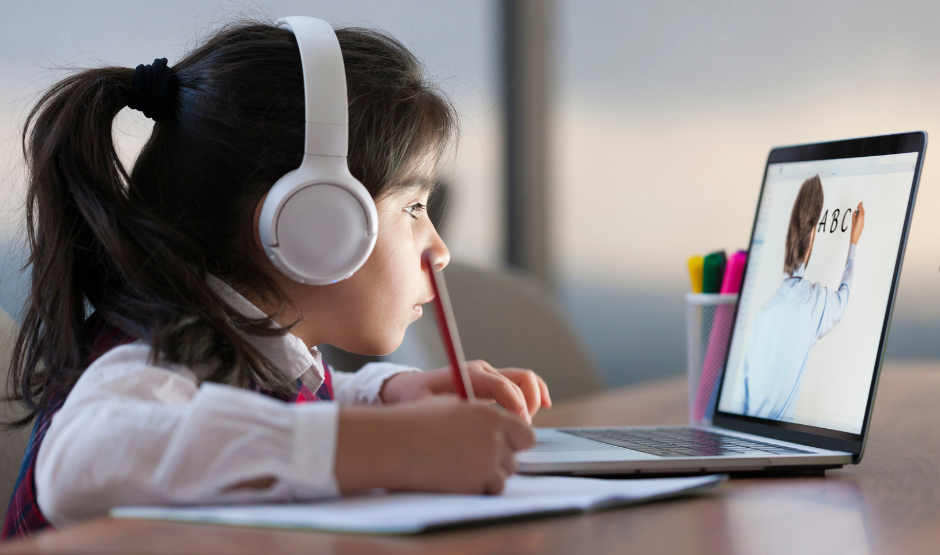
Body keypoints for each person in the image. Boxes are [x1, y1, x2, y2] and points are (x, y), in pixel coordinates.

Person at [2, 20, 550, 538]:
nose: (440, 248)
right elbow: (82, 458)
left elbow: (264, 407)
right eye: (413, 207)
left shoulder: (238, 345)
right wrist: (391, 445)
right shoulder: (162, 351)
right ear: (314, 223)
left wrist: (387, 397)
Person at [740, 175, 864, 420]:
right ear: (812, 236)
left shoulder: (763, 313)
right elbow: (842, 300)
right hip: (780, 444)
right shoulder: (813, 302)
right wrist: (853, 243)